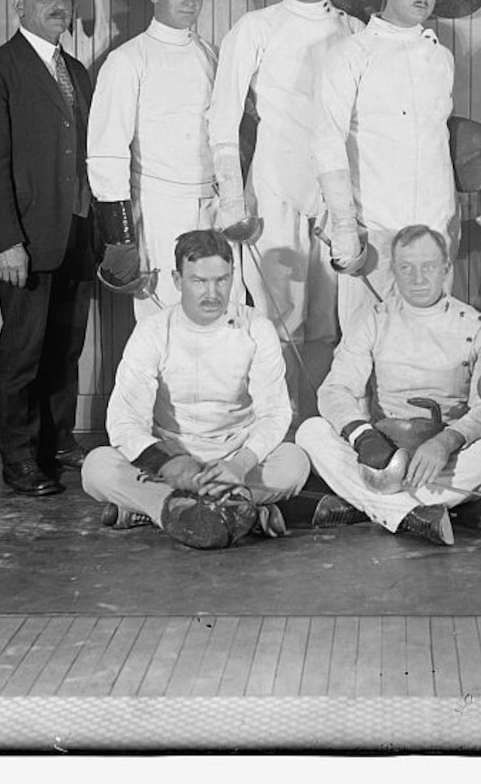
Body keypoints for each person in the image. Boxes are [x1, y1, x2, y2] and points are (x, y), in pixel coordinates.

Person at [207, 0, 357, 416]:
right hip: (274, 189)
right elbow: (223, 116)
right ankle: (278, 429)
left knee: (327, 321)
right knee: (279, 320)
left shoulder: (352, 29)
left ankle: (318, 430)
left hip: (332, 192)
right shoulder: (257, 26)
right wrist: (232, 198)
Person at [81, 230, 311, 549]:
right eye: (199, 281)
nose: (212, 293)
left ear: (233, 277)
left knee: (294, 462)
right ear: (177, 280)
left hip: (235, 454)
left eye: (221, 280)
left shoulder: (257, 327)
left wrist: (239, 464)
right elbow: (123, 420)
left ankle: (169, 509)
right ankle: (235, 508)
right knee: (97, 468)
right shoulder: (152, 331)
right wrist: (171, 465)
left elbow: (275, 413)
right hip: (172, 457)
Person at [0, 0, 95, 496]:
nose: (59, 5)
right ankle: (18, 457)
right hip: (24, 244)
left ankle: (56, 443)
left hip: (75, 235)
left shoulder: (78, 72)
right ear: (18, 4)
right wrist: (6, 243)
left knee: (64, 348)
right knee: (23, 353)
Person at [295, 225, 481, 546]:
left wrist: (447, 441)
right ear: (393, 271)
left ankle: (368, 504)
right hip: (381, 453)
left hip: (438, 459)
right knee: (309, 431)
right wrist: (362, 435)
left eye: (428, 267)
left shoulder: (477, 327)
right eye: (406, 268)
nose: (418, 278)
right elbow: (335, 388)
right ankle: (410, 513)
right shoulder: (374, 319)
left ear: (446, 269)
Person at [87, 0, 240, 317]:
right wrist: (122, 238)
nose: (190, 1)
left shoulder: (210, 54)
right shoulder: (127, 60)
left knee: (223, 318)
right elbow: (106, 154)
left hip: (213, 206)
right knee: (165, 324)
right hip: (159, 209)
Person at [312, 0, 457, 327]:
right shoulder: (350, 54)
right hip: (374, 233)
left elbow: (437, 146)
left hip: (432, 234)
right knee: (365, 354)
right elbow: (327, 141)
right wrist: (344, 227)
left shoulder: (440, 58)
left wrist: (449, 221)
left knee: (432, 353)